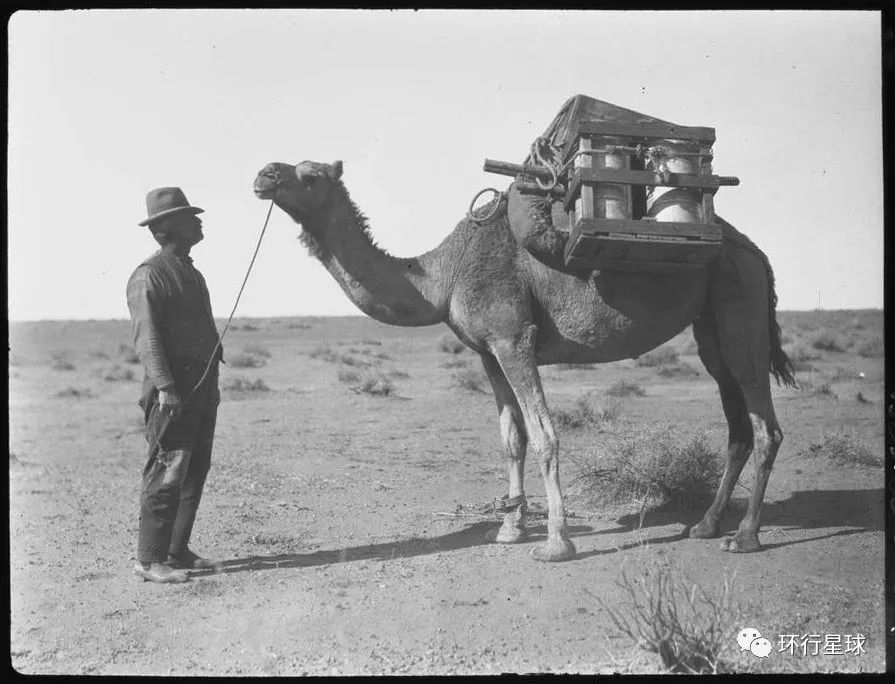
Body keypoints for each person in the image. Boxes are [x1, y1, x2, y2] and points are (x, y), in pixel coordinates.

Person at [126, 187, 223, 583]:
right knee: (168, 467)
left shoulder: (192, 272)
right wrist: (166, 387)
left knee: (194, 467)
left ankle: (176, 550)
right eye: (188, 217)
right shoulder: (149, 276)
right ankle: (150, 561)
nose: (198, 221)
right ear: (165, 229)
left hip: (201, 387)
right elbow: (146, 338)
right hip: (172, 391)